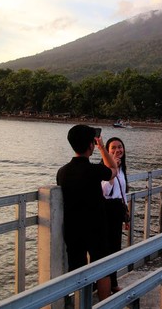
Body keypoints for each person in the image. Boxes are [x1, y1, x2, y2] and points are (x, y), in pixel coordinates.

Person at [56, 125, 117, 300]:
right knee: (101, 267)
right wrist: (103, 148)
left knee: (77, 268)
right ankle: (104, 303)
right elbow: (114, 170)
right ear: (91, 145)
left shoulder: (62, 172)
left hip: (72, 227)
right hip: (96, 226)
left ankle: (79, 303)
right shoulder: (94, 170)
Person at [100, 137, 129, 294]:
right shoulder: (103, 168)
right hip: (107, 210)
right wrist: (112, 171)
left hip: (118, 210)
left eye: (120, 147)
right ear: (107, 151)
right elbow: (105, 191)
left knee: (116, 248)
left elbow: (123, 192)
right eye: (113, 148)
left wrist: (126, 214)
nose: (118, 150)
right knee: (106, 250)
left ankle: (112, 282)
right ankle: (104, 285)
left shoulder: (122, 168)